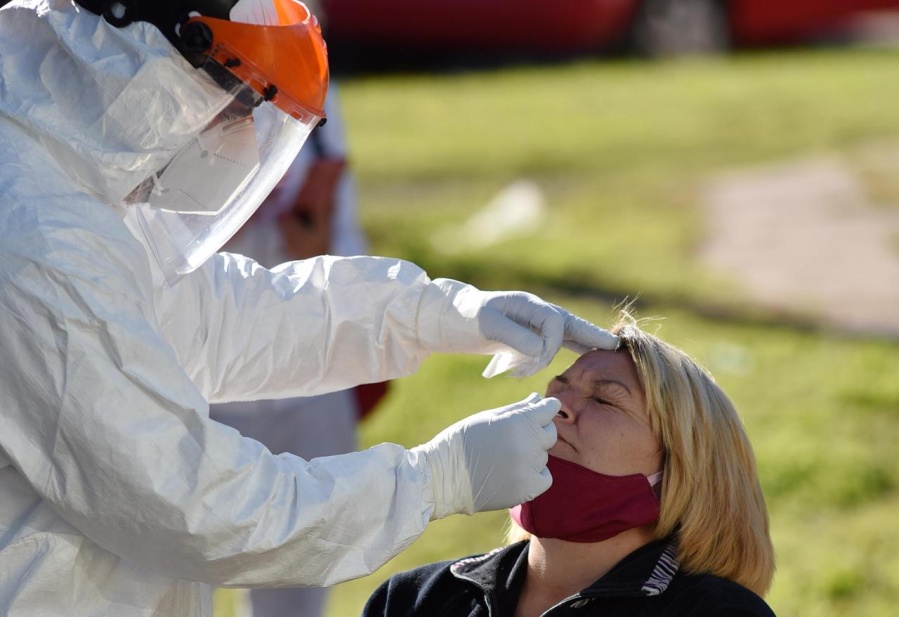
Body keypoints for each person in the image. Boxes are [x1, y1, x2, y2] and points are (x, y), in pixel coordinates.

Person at [0, 1, 621, 616]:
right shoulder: (34, 238)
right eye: (238, 100)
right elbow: (190, 503)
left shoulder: (59, 183)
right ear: (141, 56)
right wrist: (436, 480)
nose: (240, 139)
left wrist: (443, 312)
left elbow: (223, 319)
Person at [363, 313, 777, 617]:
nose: (558, 408)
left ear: (682, 467)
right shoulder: (415, 599)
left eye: (603, 400)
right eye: (554, 391)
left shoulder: (713, 612)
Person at [210, 82, 383, 617]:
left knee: (296, 596)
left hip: (307, 378)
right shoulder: (159, 77)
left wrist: (319, 245)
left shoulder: (313, 84)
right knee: (160, 589)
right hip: (194, 387)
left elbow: (347, 233)